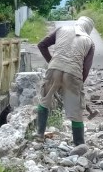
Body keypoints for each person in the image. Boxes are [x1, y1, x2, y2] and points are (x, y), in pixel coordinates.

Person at [36, 16, 96, 146]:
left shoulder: (61, 29)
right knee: (76, 112)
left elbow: (41, 45)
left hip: (54, 68)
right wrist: (79, 85)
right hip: (73, 74)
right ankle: (79, 144)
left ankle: (39, 135)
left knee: (45, 100)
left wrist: (52, 62)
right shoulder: (89, 42)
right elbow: (85, 69)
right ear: (88, 29)